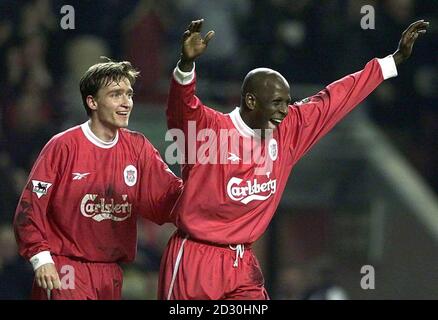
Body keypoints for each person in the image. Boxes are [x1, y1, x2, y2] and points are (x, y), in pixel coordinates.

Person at [158, 19, 429, 300]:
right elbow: (181, 108)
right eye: (277, 103)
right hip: (196, 260)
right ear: (251, 101)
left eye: (287, 102)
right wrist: (186, 67)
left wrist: (391, 63)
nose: (285, 111)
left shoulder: (287, 130)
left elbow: (335, 98)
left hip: (242, 264)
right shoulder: (208, 131)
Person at [13, 58, 183, 300]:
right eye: (116, 95)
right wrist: (41, 258)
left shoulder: (138, 147)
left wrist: (203, 183)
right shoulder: (63, 146)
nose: (126, 103)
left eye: (129, 94)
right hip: (67, 270)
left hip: (111, 273)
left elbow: (168, 198)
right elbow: (29, 208)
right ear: (92, 101)